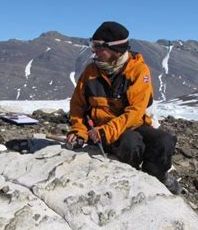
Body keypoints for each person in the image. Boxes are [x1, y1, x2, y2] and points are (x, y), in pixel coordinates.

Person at [67, 21, 179, 192]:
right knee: (131, 142)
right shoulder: (90, 72)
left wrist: (107, 132)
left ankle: (156, 180)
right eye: (93, 45)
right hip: (100, 128)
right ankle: (130, 182)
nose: (93, 51)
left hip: (129, 124)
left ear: (116, 50)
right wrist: (79, 131)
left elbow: (135, 112)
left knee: (164, 141)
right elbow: (77, 106)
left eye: (98, 47)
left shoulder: (138, 71)